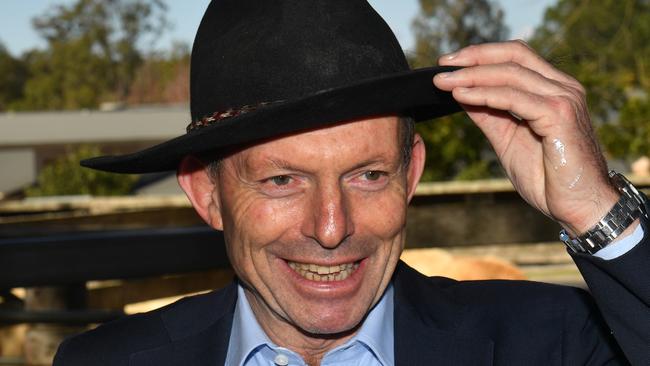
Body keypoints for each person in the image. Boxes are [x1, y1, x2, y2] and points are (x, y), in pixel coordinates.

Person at [54, 1, 649, 365]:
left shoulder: (556, 342)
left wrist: (596, 210)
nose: (332, 227)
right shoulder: (108, 361)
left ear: (411, 172)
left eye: (368, 175)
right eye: (283, 179)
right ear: (206, 193)